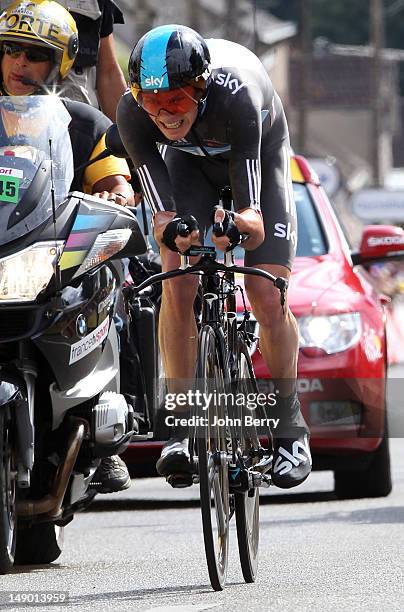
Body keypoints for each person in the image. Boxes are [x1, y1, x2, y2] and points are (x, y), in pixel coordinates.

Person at [117, 24, 312, 489]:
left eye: (177, 101)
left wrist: (237, 227)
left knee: (265, 293)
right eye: (152, 101)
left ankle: (288, 426)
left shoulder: (236, 96)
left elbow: (253, 218)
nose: (164, 114)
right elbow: (160, 214)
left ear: (201, 88)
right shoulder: (131, 111)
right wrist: (173, 228)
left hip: (257, 153)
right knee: (176, 282)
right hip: (188, 166)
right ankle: (183, 422)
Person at [0, 0, 134, 492]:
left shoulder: (82, 124)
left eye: (34, 55)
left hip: (57, 247)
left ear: (59, 63)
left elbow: (117, 183)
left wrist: (115, 196)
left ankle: (106, 430)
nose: (19, 65)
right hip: (2, 246)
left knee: (111, 279)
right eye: (10, 51)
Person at [0, 0, 127, 121]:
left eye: (35, 55)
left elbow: (109, 73)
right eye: (12, 49)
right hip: (7, 117)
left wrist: (124, 137)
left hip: (75, 130)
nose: (20, 61)